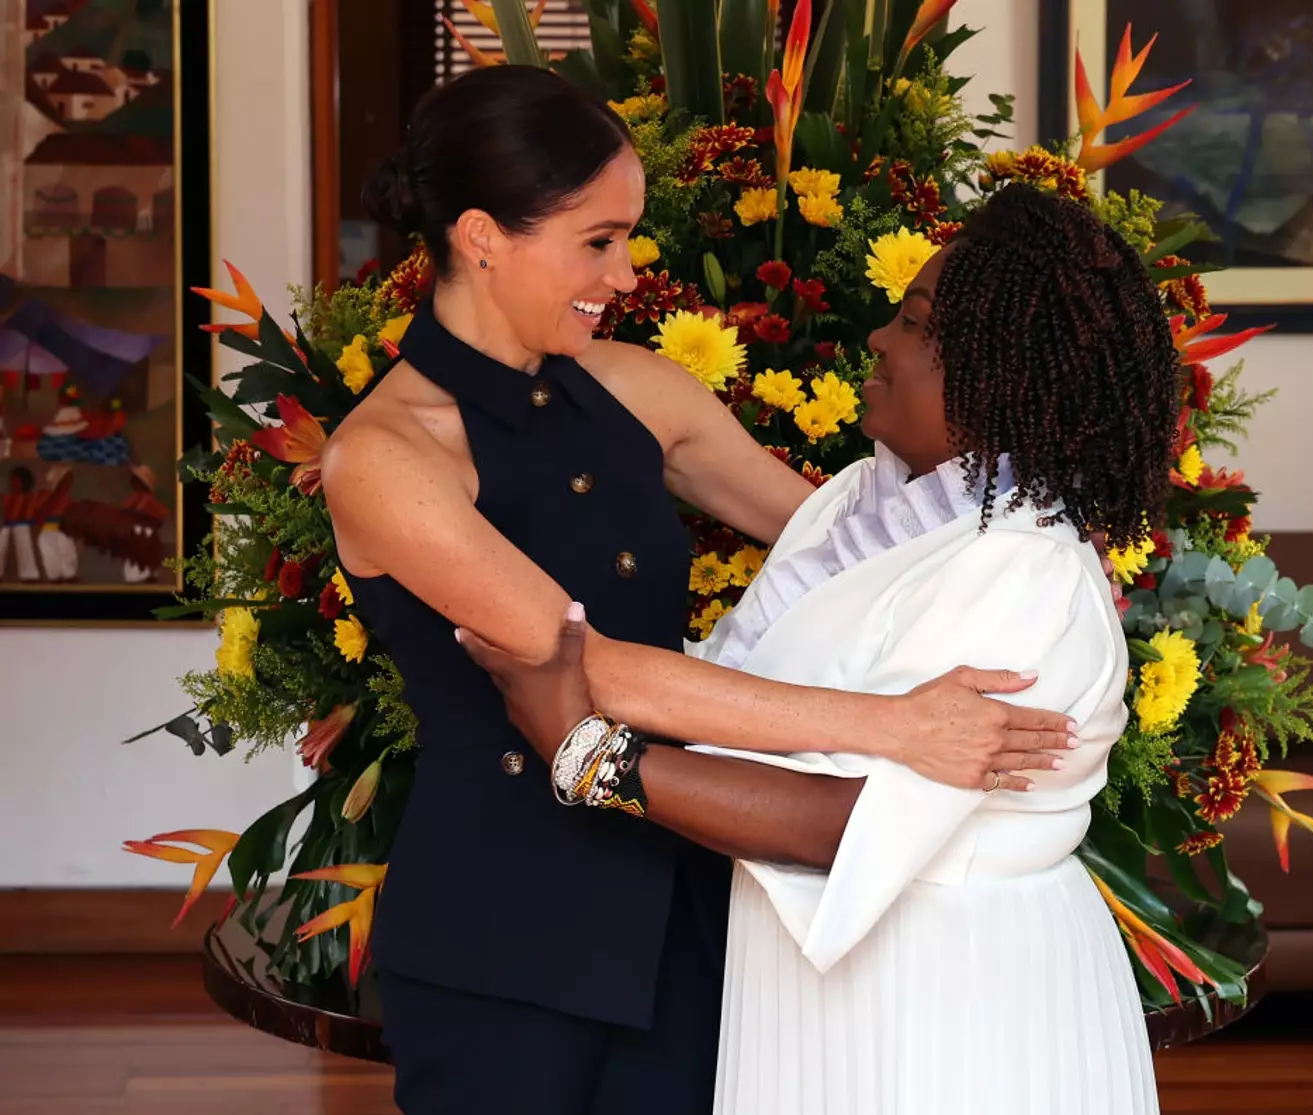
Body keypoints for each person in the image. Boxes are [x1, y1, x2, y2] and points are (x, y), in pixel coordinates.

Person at [323, 66, 1081, 1115]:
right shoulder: (385, 457)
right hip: (504, 932)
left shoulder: (641, 388)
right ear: (483, 234)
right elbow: (589, 667)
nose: (627, 274)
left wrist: (1037, 568)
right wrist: (897, 727)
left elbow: (858, 545)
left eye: (627, 237)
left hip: (692, 903)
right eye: (597, 240)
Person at [465, 182, 1178, 1114]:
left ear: (1005, 373)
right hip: (819, 971)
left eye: (915, 323)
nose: (880, 338)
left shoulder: (1026, 575)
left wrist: (590, 753)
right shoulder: (858, 500)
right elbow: (737, 688)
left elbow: (849, 821)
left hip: (953, 994)